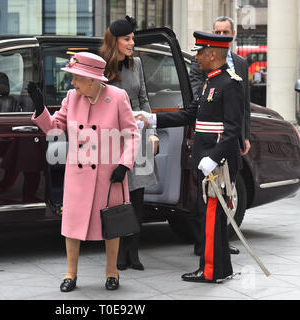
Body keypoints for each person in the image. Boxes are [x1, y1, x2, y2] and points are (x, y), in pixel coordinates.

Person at [136, 31, 244, 283]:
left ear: (213, 54)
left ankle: (210, 271)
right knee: (210, 216)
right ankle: (221, 269)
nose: (196, 58)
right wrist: (153, 119)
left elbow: (232, 129)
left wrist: (214, 158)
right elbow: (190, 114)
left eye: (200, 53)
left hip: (218, 165)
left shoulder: (230, 84)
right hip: (207, 161)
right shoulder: (210, 82)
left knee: (210, 217)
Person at [29, 52, 140, 291]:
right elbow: (55, 129)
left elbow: (132, 135)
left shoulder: (118, 97)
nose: (72, 83)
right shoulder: (72, 97)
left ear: (91, 79)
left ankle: (112, 273)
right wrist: (41, 110)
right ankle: (70, 274)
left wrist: (124, 164)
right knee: (72, 224)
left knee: (112, 224)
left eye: (76, 78)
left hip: (110, 174)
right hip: (78, 175)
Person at [100, 16, 158, 271]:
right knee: (117, 196)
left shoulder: (137, 63)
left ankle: (134, 252)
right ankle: (119, 253)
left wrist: (150, 125)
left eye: (133, 38)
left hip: (140, 135)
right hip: (115, 138)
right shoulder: (103, 68)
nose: (132, 43)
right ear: (115, 41)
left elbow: (144, 98)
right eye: (127, 39)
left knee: (137, 197)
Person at [190, 16, 250, 256]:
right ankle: (206, 246)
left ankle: (218, 248)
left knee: (225, 195)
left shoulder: (239, 68)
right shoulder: (204, 68)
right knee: (207, 200)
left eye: (225, 32)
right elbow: (198, 103)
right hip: (211, 142)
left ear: (232, 35)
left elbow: (242, 106)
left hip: (226, 143)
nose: (221, 36)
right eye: (217, 32)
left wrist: (243, 135)